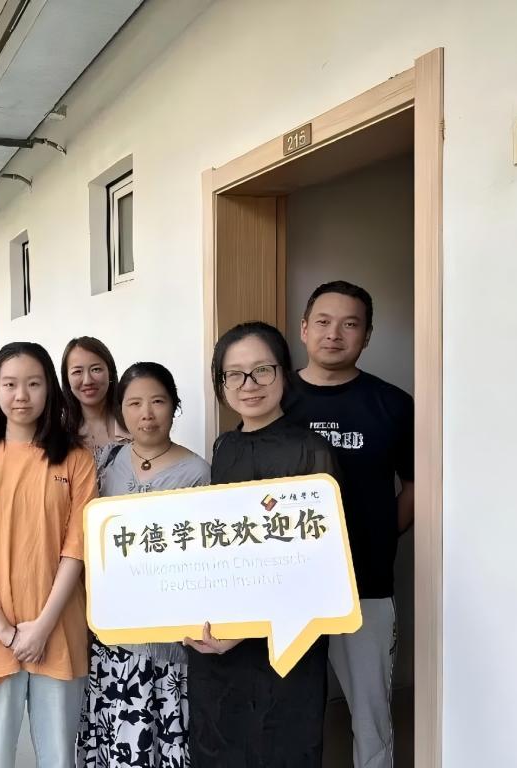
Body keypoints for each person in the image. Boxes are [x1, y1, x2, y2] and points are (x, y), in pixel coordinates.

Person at [184, 322, 338, 768]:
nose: (248, 384)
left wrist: (247, 629)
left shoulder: (312, 451)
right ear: (221, 383)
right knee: (220, 745)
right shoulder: (224, 447)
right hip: (221, 643)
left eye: (262, 370)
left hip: (286, 640)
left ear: (284, 373)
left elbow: (319, 563)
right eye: (234, 374)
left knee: (282, 746)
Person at [0, 342, 97, 768]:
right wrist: (5, 631)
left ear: (50, 389)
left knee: (59, 756)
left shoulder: (76, 460)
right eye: (9, 385)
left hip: (58, 628)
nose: (21, 396)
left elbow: (77, 549)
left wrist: (42, 627)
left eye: (33, 384)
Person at [285, 281, 414, 768]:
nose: (333, 334)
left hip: (366, 585)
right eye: (322, 321)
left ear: (367, 335)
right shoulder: (273, 398)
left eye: (350, 324)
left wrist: (378, 532)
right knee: (288, 714)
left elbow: (417, 485)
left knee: (371, 716)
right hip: (286, 587)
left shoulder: (393, 404)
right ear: (304, 328)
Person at [76, 362, 209, 768]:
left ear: (174, 406)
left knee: (165, 747)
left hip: (169, 642)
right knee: (113, 744)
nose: (146, 414)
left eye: (157, 402)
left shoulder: (197, 472)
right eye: (134, 404)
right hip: (111, 639)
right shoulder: (104, 462)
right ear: (121, 409)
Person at [61, 336, 131, 465]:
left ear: (110, 372)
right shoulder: (57, 436)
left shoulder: (134, 423)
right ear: (67, 379)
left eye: (96, 369)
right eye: (77, 371)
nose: (87, 381)